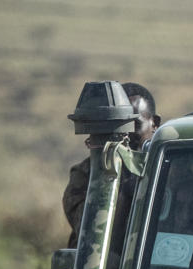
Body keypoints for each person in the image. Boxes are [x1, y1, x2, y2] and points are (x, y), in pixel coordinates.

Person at [62, 82, 161, 248]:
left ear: (155, 123)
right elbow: (91, 231)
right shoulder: (87, 173)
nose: (126, 135)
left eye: (134, 125)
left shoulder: (165, 171)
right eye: (119, 127)